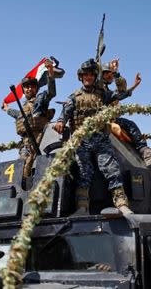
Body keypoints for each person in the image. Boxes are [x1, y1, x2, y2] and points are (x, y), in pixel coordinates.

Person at [54, 58, 133, 216]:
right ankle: (82, 208)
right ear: (81, 77)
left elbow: (123, 93)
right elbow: (65, 114)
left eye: (91, 75)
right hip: (82, 142)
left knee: (112, 169)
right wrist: (61, 122)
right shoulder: (74, 97)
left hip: (101, 140)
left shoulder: (103, 94)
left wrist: (116, 73)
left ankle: (122, 204)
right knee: (84, 173)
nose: (88, 77)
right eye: (85, 75)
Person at [101, 59, 151, 167]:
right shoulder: (99, 88)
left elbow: (121, 93)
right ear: (101, 74)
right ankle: (146, 153)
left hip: (109, 118)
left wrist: (132, 84)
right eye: (108, 74)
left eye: (112, 75)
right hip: (101, 120)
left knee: (130, 127)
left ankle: (146, 153)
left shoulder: (106, 90)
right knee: (130, 124)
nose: (111, 77)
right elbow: (120, 93)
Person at [2, 59, 56, 177]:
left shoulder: (40, 101)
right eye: (26, 87)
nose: (29, 89)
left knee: (41, 170)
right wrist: (7, 109)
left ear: (36, 89)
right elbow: (18, 115)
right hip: (26, 143)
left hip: (40, 140)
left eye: (32, 86)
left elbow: (51, 92)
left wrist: (50, 72)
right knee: (21, 171)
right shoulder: (25, 107)